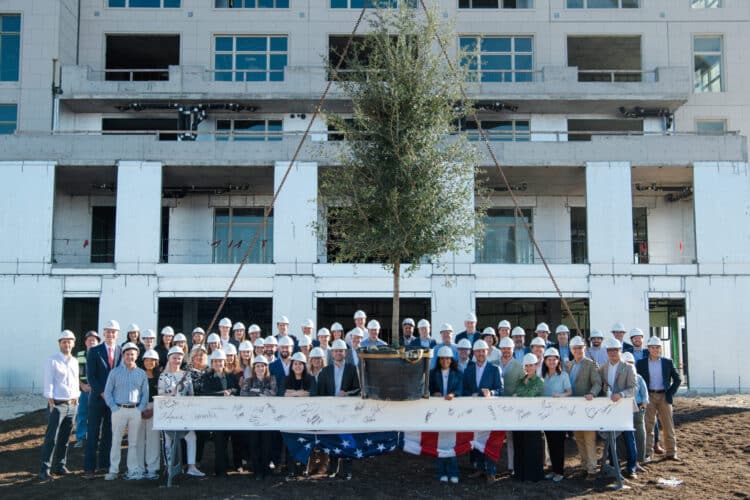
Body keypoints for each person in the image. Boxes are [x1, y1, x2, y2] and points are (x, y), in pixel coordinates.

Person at [313, 339, 360, 480]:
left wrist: (347, 393)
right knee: (333, 439)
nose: (338, 353)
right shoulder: (325, 371)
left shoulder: (352, 369)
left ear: (345, 352)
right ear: (332, 353)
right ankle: (332, 470)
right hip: (330, 412)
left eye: (341, 350)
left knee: (347, 440)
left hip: (347, 411)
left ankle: (347, 470)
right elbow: (320, 394)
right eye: (336, 351)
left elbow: (358, 389)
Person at [103, 341, 149, 480]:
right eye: (128, 354)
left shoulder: (141, 373)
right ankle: (113, 470)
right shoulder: (115, 372)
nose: (130, 357)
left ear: (137, 356)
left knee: (133, 443)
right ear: (123, 355)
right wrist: (114, 408)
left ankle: (133, 469)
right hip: (119, 410)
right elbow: (107, 392)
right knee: (116, 441)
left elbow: (145, 393)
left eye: (133, 354)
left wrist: (140, 408)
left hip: (135, 411)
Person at [40, 330, 80, 481]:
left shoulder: (75, 361)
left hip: (72, 405)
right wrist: (51, 402)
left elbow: (76, 381)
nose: (67, 344)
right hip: (57, 405)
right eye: (64, 342)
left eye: (70, 341)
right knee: (51, 438)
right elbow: (49, 381)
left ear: (74, 343)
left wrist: (77, 398)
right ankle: (45, 469)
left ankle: (60, 466)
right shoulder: (53, 360)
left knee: (64, 438)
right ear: (59, 343)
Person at [158, 347, 205, 477]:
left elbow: (191, 394)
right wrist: (172, 393)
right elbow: (160, 394)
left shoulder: (187, 375)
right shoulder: (163, 376)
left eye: (179, 358)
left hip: (184, 413)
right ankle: (168, 467)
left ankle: (191, 466)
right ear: (169, 359)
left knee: (191, 437)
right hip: (169, 413)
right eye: (174, 358)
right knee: (168, 440)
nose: (177, 360)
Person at [84, 319, 122, 479]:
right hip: (97, 399)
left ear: (117, 334)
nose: (111, 334)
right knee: (93, 433)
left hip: (113, 400)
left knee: (109, 433)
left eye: (114, 331)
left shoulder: (121, 350)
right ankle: (89, 468)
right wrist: (102, 392)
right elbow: (91, 376)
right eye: (108, 331)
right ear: (104, 333)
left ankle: (104, 465)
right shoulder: (94, 351)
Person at [463, 339, 503, 484]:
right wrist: (470, 395)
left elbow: (500, 390)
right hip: (474, 411)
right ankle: (479, 468)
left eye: (483, 351)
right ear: (474, 353)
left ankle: (491, 471)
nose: (480, 354)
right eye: (478, 351)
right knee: (476, 439)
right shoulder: (468, 370)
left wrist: (491, 393)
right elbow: (464, 389)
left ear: (487, 352)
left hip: (489, 411)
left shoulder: (494, 369)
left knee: (490, 441)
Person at [636, 336, 681, 462]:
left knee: (668, 425)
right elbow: (638, 381)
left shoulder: (668, 362)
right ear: (648, 349)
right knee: (648, 425)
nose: (655, 350)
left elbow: (678, 379)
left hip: (664, 396)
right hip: (649, 396)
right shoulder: (641, 363)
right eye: (652, 347)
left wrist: (670, 393)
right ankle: (648, 453)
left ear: (660, 348)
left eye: (657, 347)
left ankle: (671, 452)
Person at [599, 337, 639, 478]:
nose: (612, 353)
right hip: (610, 408)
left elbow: (634, 388)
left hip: (625, 407)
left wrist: (621, 394)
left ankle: (632, 468)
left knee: (629, 438)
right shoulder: (603, 368)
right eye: (610, 350)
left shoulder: (628, 367)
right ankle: (613, 466)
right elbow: (602, 386)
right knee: (611, 438)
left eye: (615, 350)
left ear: (620, 351)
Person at [197, 349, 239, 477]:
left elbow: (237, 389)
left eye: (220, 361)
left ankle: (232, 465)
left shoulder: (231, 375)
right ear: (212, 362)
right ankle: (220, 470)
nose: (218, 363)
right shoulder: (207, 377)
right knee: (219, 441)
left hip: (231, 414)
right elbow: (206, 392)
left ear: (224, 362)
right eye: (215, 361)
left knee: (230, 440)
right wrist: (223, 394)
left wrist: (230, 391)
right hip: (216, 414)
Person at [566, 336, 602, 480]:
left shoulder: (590, 364)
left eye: (580, 348)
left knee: (589, 438)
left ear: (584, 349)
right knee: (579, 438)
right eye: (575, 348)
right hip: (574, 407)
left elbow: (597, 383)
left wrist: (592, 394)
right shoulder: (570, 366)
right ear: (571, 350)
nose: (577, 350)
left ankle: (592, 469)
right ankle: (584, 466)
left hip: (587, 407)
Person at [240, 355, 277, 480]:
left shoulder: (271, 379)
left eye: (262, 366)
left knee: (267, 444)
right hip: (253, 418)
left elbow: (273, 393)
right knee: (254, 444)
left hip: (267, 417)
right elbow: (243, 394)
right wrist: (261, 393)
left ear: (266, 367)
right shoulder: (248, 380)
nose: (260, 368)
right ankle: (257, 471)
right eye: (257, 366)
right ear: (254, 368)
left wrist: (255, 392)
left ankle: (266, 470)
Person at [429, 346, 462, 484]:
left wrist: (453, 394)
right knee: (441, 444)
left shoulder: (458, 373)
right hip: (438, 413)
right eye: (442, 358)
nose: (445, 361)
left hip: (452, 413)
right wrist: (434, 393)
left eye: (447, 358)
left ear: (451, 360)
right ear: (439, 360)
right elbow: (428, 389)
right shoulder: (432, 373)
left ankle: (453, 473)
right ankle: (442, 472)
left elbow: (460, 389)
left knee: (452, 444)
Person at [512, 353, 544, 482]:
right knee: (519, 445)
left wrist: (518, 394)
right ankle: (520, 474)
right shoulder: (520, 380)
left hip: (533, 419)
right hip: (519, 419)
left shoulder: (539, 381)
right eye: (527, 365)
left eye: (531, 365)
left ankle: (532, 476)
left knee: (532, 447)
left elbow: (529, 393)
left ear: (536, 366)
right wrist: (519, 394)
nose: (529, 368)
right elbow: (518, 391)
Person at [541, 347, 572, 482]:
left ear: (558, 361)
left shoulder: (563, 375)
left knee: (558, 443)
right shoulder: (543, 376)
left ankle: (560, 472)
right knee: (550, 443)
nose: (552, 362)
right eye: (549, 360)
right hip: (547, 414)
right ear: (545, 361)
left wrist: (560, 395)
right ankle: (553, 470)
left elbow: (569, 392)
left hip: (560, 414)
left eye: (554, 359)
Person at [283, 352, 314, 479]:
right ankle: (291, 470)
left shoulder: (310, 379)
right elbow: (282, 394)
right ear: (291, 366)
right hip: (289, 417)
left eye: (300, 364)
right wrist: (301, 393)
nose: (297, 366)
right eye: (295, 364)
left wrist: (292, 393)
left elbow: (311, 394)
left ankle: (304, 469)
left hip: (306, 416)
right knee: (290, 442)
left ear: (304, 366)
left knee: (305, 442)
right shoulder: (285, 379)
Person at [498, 336, 522, 476]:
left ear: (513, 350)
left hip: (512, 407)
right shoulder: (495, 363)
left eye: (509, 348)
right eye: (504, 348)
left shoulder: (518, 366)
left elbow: (523, 385)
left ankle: (511, 466)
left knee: (511, 437)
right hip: (496, 405)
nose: (506, 351)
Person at [138, 349, 161, 479]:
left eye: (152, 360)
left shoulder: (161, 376)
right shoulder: (138, 374)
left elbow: (162, 395)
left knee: (153, 440)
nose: (149, 362)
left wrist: (153, 410)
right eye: (146, 360)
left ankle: (152, 468)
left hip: (155, 408)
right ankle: (139, 468)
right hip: (139, 408)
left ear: (156, 362)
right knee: (138, 439)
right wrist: (140, 409)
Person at [74, 330, 100, 449]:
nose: (91, 342)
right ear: (85, 342)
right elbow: (73, 374)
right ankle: (80, 438)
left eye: (94, 340)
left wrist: (95, 387)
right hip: (83, 390)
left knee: (97, 415)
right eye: (89, 340)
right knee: (82, 414)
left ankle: (95, 438)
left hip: (97, 391)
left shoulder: (101, 355)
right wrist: (82, 385)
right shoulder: (78, 356)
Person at [623, 351, 649, 465]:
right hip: (624, 408)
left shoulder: (638, 377)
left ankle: (639, 458)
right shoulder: (620, 378)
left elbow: (645, 394)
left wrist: (643, 405)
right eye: (626, 363)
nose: (629, 364)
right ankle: (625, 457)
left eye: (631, 362)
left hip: (637, 408)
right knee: (625, 436)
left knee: (639, 434)